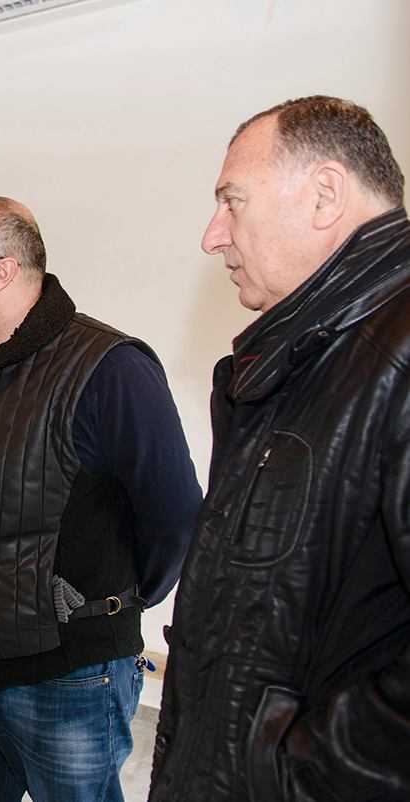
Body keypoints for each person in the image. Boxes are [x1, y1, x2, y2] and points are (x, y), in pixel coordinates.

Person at [150, 96, 410, 801]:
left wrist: (296, 772)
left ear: (325, 195)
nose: (212, 236)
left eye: (232, 202)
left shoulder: (391, 355)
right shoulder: (303, 356)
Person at [0, 196, 201, 802]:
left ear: (0, 272)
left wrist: (113, 603)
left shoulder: (111, 369)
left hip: (69, 678)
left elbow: (176, 515)